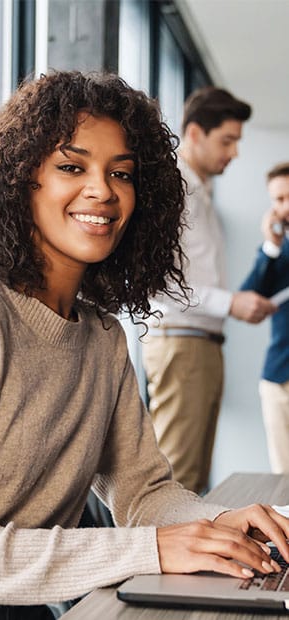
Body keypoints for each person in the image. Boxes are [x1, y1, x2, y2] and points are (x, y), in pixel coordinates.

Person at [0, 71, 287, 620]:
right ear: (21, 180)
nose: (102, 190)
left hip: (16, 593)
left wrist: (214, 524)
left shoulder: (102, 337)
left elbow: (143, 491)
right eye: (71, 166)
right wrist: (152, 549)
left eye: (121, 173)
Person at [142, 86, 276, 494]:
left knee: (191, 481)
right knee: (177, 482)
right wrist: (231, 302)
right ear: (195, 134)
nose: (234, 153)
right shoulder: (175, 189)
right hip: (183, 343)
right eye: (227, 140)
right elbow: (158, 282)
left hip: (199, 343)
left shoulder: (199, 190)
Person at [240, 162, 289, 474]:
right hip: (279, 378)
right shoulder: (277, 253)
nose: (282, 208)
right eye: (277, 200)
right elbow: (247, 300)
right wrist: (271, 247)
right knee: (284, 479)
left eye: (287, 198)